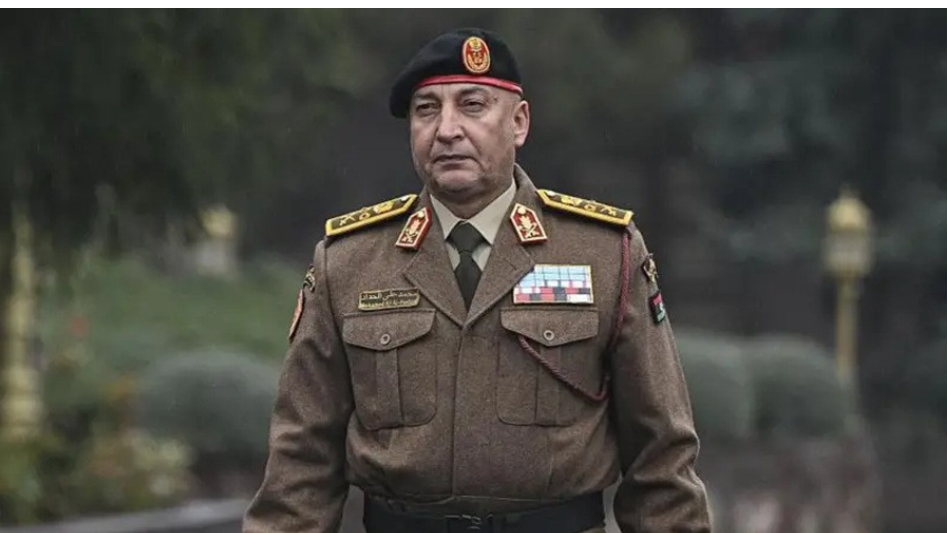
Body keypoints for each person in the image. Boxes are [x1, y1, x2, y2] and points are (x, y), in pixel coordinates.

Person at [243, 27, 712, 533]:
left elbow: (661, 454)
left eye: (472, 105)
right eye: (426, 110)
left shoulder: (602, 252)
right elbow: (302, 462)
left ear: (519, 122)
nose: (447, 130)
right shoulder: (350, 261)